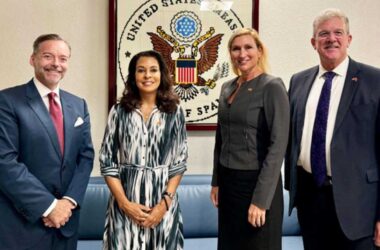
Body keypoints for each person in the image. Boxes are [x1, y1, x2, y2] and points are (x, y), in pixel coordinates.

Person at [285, 8, 380, 250]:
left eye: (338, 32)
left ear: (349, 39)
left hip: (359, 205)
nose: (331, 38)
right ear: (313, 42)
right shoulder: (298, 81)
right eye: (323, 34)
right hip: (310, 198)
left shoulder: (374, 80)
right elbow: (292, 138)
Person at [0, 34, 94, 250]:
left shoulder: (78, 105)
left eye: (63, 58)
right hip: (22, 223)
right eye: (48, 56)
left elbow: (86, 157)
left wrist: (68, 202)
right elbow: (5, 162)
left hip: (66, 223)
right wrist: (49, 206)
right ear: (33, 59)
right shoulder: (7, 101)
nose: (56, 64)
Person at [210, 27, 290, 250]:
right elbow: (221, 138)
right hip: (228, 184)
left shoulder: (272, 86)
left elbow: (278, 145)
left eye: (248, 47)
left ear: (259, 51)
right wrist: (216, 181)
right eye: (236, 49)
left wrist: (261, 200)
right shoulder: (227, 87)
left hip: (257, 184)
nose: (241, 54)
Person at [99, 50, 188, 250]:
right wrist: (124, 204)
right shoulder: (119, 111)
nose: (147, 76)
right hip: (125, 203)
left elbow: (179, 162)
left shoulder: (175, 111)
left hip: (163, 204)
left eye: (153, 70)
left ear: (162, 74)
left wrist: (164, 205)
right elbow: (107, 162)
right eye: (141, 70)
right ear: (133, 76)